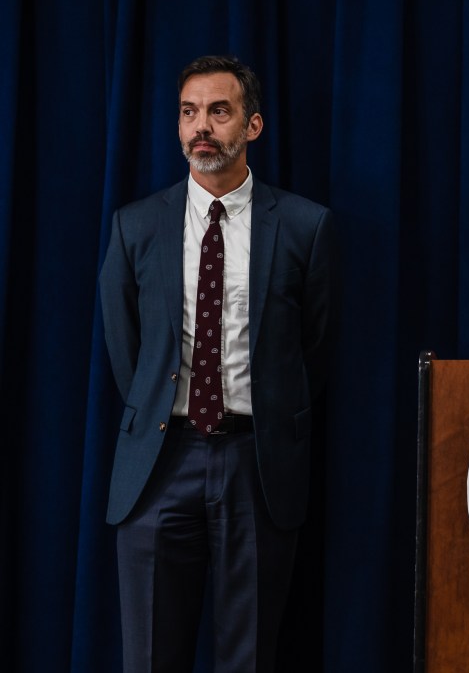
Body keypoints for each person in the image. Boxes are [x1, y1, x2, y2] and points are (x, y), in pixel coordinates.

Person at [99, 55, 337, 671]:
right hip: (158, 464)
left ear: (252, 126)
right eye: (188, 112)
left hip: (256, 465)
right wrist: (160, 406)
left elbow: (312, 348)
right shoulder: (135, 227)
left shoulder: (305, 227)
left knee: (249, 656)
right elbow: (128, 352)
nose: (200, 126)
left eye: (218, 111)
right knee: (151, 656)